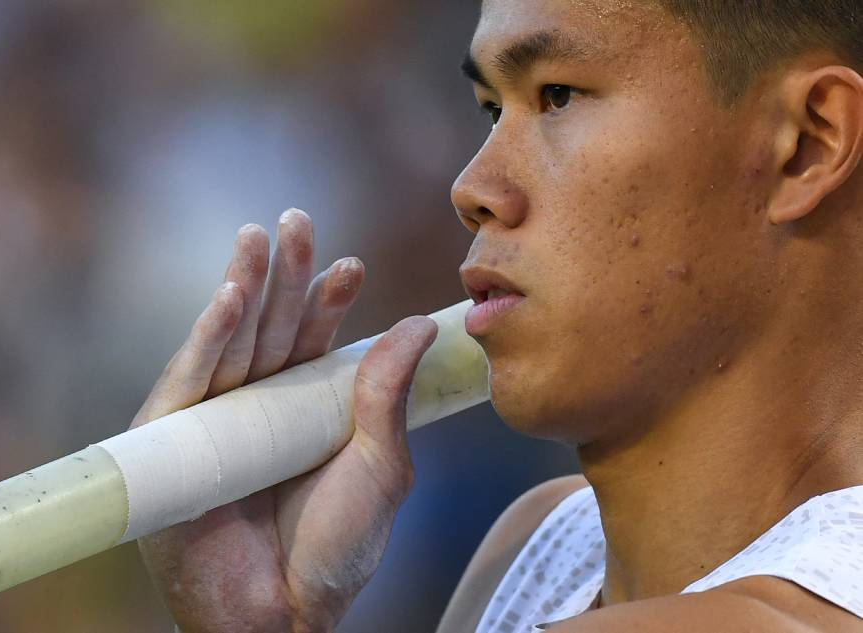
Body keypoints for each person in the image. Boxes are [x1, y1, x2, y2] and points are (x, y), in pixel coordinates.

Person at [130, 1, 863, 631]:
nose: (473, 186)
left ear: (806, 143)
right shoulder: (540, 542)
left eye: (558, 96)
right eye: (491, 109)